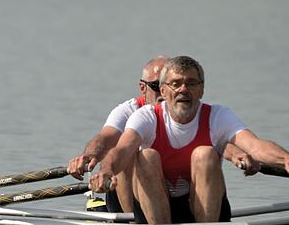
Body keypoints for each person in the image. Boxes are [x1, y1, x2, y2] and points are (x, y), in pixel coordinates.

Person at [89, 56, 289, 225]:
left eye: (191, 83)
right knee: (146, 155)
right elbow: (122, 149)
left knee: (204, 153)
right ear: (164, 91)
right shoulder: (146, 117)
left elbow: (255, 145)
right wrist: (106, 171)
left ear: (202, 89)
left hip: (202, 212)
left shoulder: (218, 116)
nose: (183, 89)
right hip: (154, 216)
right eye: (176, 84)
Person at [68, 56, 256, 213]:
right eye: (157, 86)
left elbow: (218, 138)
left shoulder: (195, 112)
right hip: (136, 196)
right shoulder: (130, 111)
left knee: (206, 153)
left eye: (172, 83)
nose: (167, 91)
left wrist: (240, 156)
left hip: (182, 195)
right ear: (143, 88)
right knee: (130, 152)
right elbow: (106, 139)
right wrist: (89, 157)